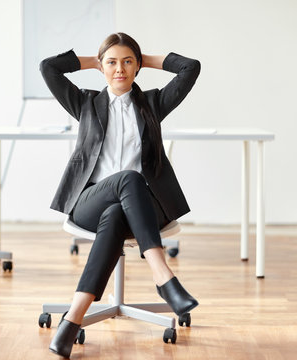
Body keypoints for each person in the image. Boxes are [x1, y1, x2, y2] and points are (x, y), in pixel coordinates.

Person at [39, 32, 201, 358]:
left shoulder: (154, 104)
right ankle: (162, 274)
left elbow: (190, 68)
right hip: (90, 203)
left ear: (137, 66)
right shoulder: (84, 103)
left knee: (118, 209)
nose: (120, 69)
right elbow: (48, 68)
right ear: (102, 67)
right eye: (112, 63)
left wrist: (143, 57)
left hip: (143, 210)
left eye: (128, 62)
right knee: (125, 179)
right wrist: (98, 59)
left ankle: (71, 320)